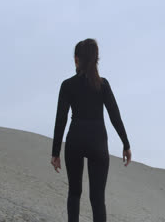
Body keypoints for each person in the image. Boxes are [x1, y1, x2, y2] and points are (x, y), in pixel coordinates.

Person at [50, 38, 132, 222]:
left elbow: (61, 120)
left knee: (74, 193)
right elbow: (114, 116)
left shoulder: (67, 85)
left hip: (75, 139)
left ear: (77, 59)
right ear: (95, 60)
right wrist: (126, 144)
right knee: (97, 199)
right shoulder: (103, 84)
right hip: (98, 141)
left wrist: (55, 152)